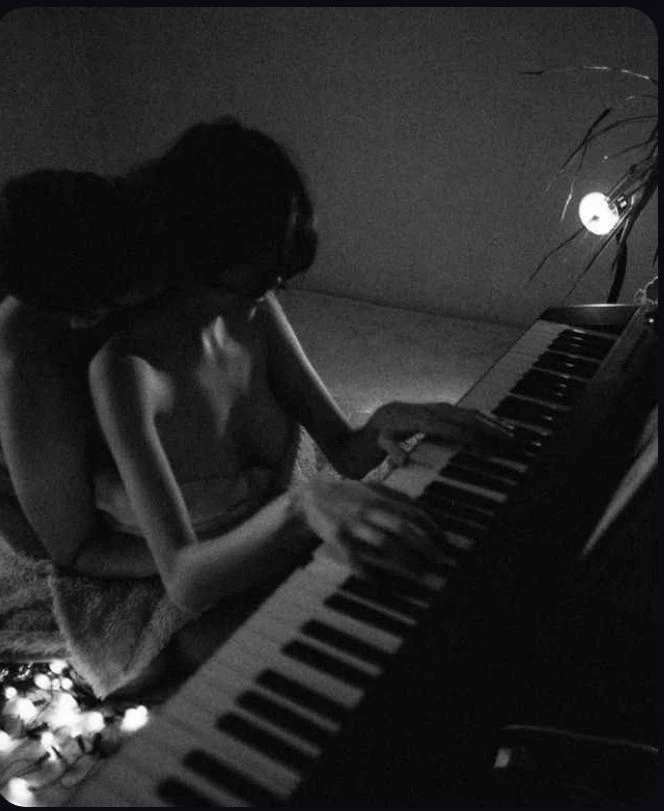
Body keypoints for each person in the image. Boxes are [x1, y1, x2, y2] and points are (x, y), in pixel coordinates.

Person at [0, 117, 513, 674]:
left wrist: (388, 419)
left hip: (245, 527)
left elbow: (344, 447)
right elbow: (156, 569)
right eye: (261, 277)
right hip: (182, 561)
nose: (273, 291)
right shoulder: (105, 367)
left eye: (278, 275)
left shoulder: (251, 306)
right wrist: (288, 518)